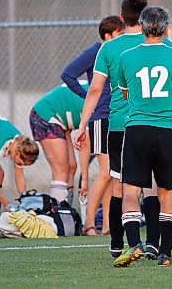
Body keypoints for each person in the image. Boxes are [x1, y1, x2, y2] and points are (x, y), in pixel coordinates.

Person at [74, 0, 171, 261]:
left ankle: (119, 244)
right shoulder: (161, 43)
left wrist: (82, 125)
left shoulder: (109, 48)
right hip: (155, 122)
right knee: (152, 185)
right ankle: (153, 243)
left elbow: (94, 90)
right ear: (147, 15)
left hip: (119, 124)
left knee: (119, 186)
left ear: (121, 17)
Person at [113, 6, 172, 267]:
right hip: (168, 130)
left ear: (141, 26)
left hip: (137, 128)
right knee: (167, 191)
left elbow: (126, 94)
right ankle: (165, 253)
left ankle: (134, 245)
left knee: (130, 191)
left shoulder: (126, 56)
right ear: (166, 28)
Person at [61, 16, 125, 235]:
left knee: (113, 173)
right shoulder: (96, 51)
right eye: (119, 34)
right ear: (108, 36)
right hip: (100, 117)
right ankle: (89, 224)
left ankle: (107, 224)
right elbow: (68, 74)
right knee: (106, 172)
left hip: (116, 115)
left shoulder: (118, 53)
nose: (122, 38)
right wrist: (86, 95)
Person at [29, 82, 89, 206]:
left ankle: (67, 211)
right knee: (61, 169)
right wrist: (85, 179)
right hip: (46, 115)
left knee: (72, 167)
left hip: (62, 121)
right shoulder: (99, 100)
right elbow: (86, 144)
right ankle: (59, 215)